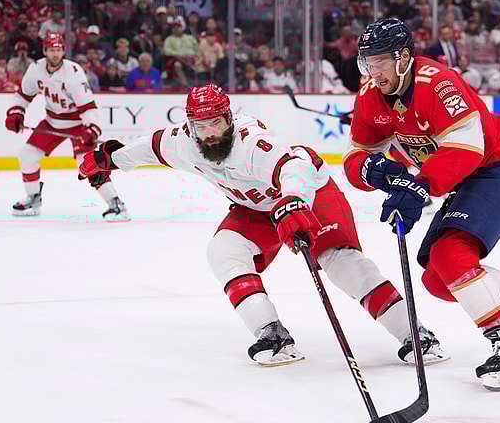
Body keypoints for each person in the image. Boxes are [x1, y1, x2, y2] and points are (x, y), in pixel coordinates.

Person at [77, 84, 449, 367]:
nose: (209, 133)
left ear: (230, 119)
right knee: (223, 250)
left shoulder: (252, 142)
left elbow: (293, 167)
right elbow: (148, 147)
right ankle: (272, 335)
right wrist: (109, 159)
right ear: (189, 126)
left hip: (310, 195)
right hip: (256, 209)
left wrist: (292, 201)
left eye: (217, 123)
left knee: (341, 264)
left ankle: (414, 334)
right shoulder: (182, 143)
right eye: (200, 125)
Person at [344, 18, 500, 391]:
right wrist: (380, 173)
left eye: (380, 61)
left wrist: (418, 186)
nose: (373, 70)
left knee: (450, 255)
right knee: (437, 279)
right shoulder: (370, 96)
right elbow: (356, 157)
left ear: (402, 57)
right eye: (367, 62)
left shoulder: (437, 82)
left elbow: (467, 147)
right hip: (465, 179)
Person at [4, 32, 130, 221]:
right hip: (52, 121)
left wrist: (91, 128)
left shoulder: (73, 72)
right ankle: (33, 198)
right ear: (45, 51)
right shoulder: (35, 69)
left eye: (58, 50)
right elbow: (23, 95)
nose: (55, 54)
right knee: (27, 155)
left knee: (86, 164)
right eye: (51, 50)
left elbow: (88, 106)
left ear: (63, 51)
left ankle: (116, 204)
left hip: (78, 124)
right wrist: (16, 112)